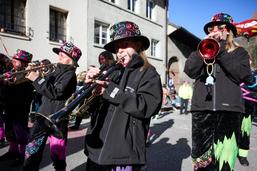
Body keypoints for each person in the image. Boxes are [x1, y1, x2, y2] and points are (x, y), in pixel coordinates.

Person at [84, 21, 162, 171]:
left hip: (123, 153)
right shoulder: (111, 72)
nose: (119, 51)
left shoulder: (149, 74)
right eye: (116, 48)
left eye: (125, 44)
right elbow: (90, 110)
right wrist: (90, 89)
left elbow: (146, 107)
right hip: (96, 149)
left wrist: (110, 91)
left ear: (138, 45)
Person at [184, 13, 256, 171]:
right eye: (211, 28)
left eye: (219, 27)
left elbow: (242, 74)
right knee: (201, 162)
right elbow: (189, 70)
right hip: (202, 111)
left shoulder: (239, 53)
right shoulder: (202, 50)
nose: (214, 31)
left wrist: (221, 49)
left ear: (229, 31)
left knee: (224, 162)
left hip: (228, 112)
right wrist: (202, 51)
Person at [24, 42, 82, 171]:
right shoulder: (55, 71)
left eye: (64, 54)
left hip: (57, 119)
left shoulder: (70, 75)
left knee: (58, 153)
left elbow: (55, 92)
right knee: (32, 149)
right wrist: (35, 73)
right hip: (42, 115)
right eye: (59, 53)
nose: (59, 55)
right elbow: (43, 89)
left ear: (72, 60)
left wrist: (37, 79)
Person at [0, 50, 34, 166]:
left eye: (16, 60)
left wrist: (10, 83)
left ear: (24, 63)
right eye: (13, 59)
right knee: (9, 130)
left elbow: (26, 93)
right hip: (8, 106)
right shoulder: (11, 71)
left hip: (20, 108)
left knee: (20, 132)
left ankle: (22, 154)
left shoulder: (27, 75)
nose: (13, 61)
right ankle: (12, 151)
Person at [69, 51, 115, 131]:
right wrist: (88, 81)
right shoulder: (101, 68)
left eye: (102, 59)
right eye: (99, 59)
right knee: (93, 124)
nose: (101, 61)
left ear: (108, 58)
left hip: (105, 101)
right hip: (96, 100)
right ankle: (77, 124)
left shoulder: (113, 69)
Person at [237, 69, 257, 166]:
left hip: (250, 105)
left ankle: (242, 155)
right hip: (236, 103)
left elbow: (253, 85)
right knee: (231, 129)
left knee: (245, 130)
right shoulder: (240, 69)